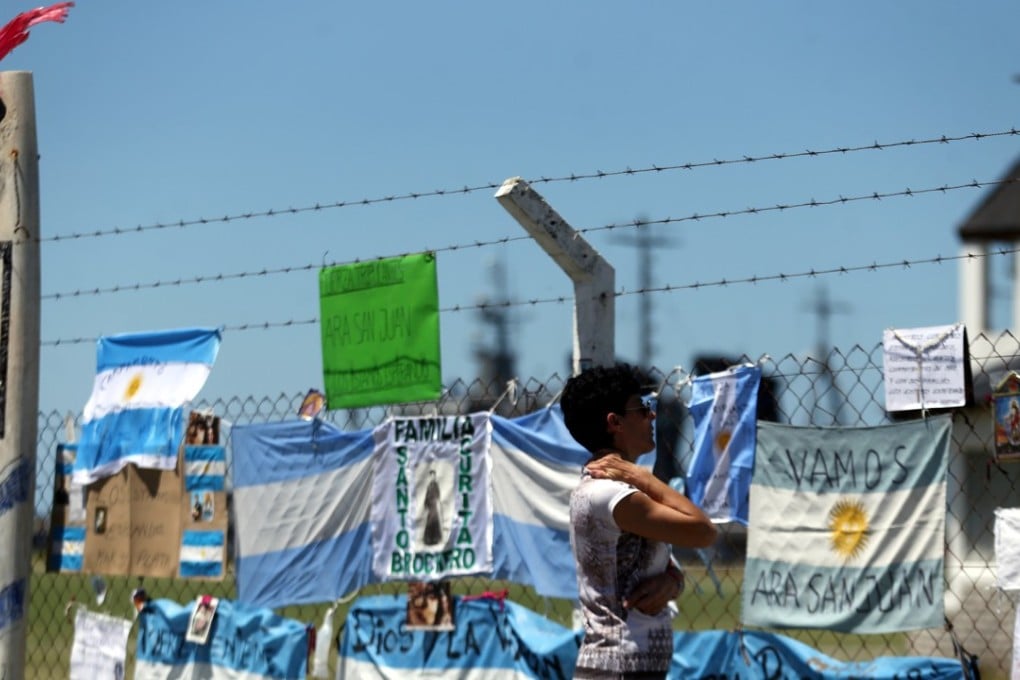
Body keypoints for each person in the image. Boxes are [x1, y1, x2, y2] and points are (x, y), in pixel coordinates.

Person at [561, 363, 718, 680]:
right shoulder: (608, 494)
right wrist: (640, 475)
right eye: (642, 408)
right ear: (614, 422)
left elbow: (658, 563)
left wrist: (672, 582)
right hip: (619, 668)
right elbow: (703, 531)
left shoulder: (617, 492)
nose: (652, 416)